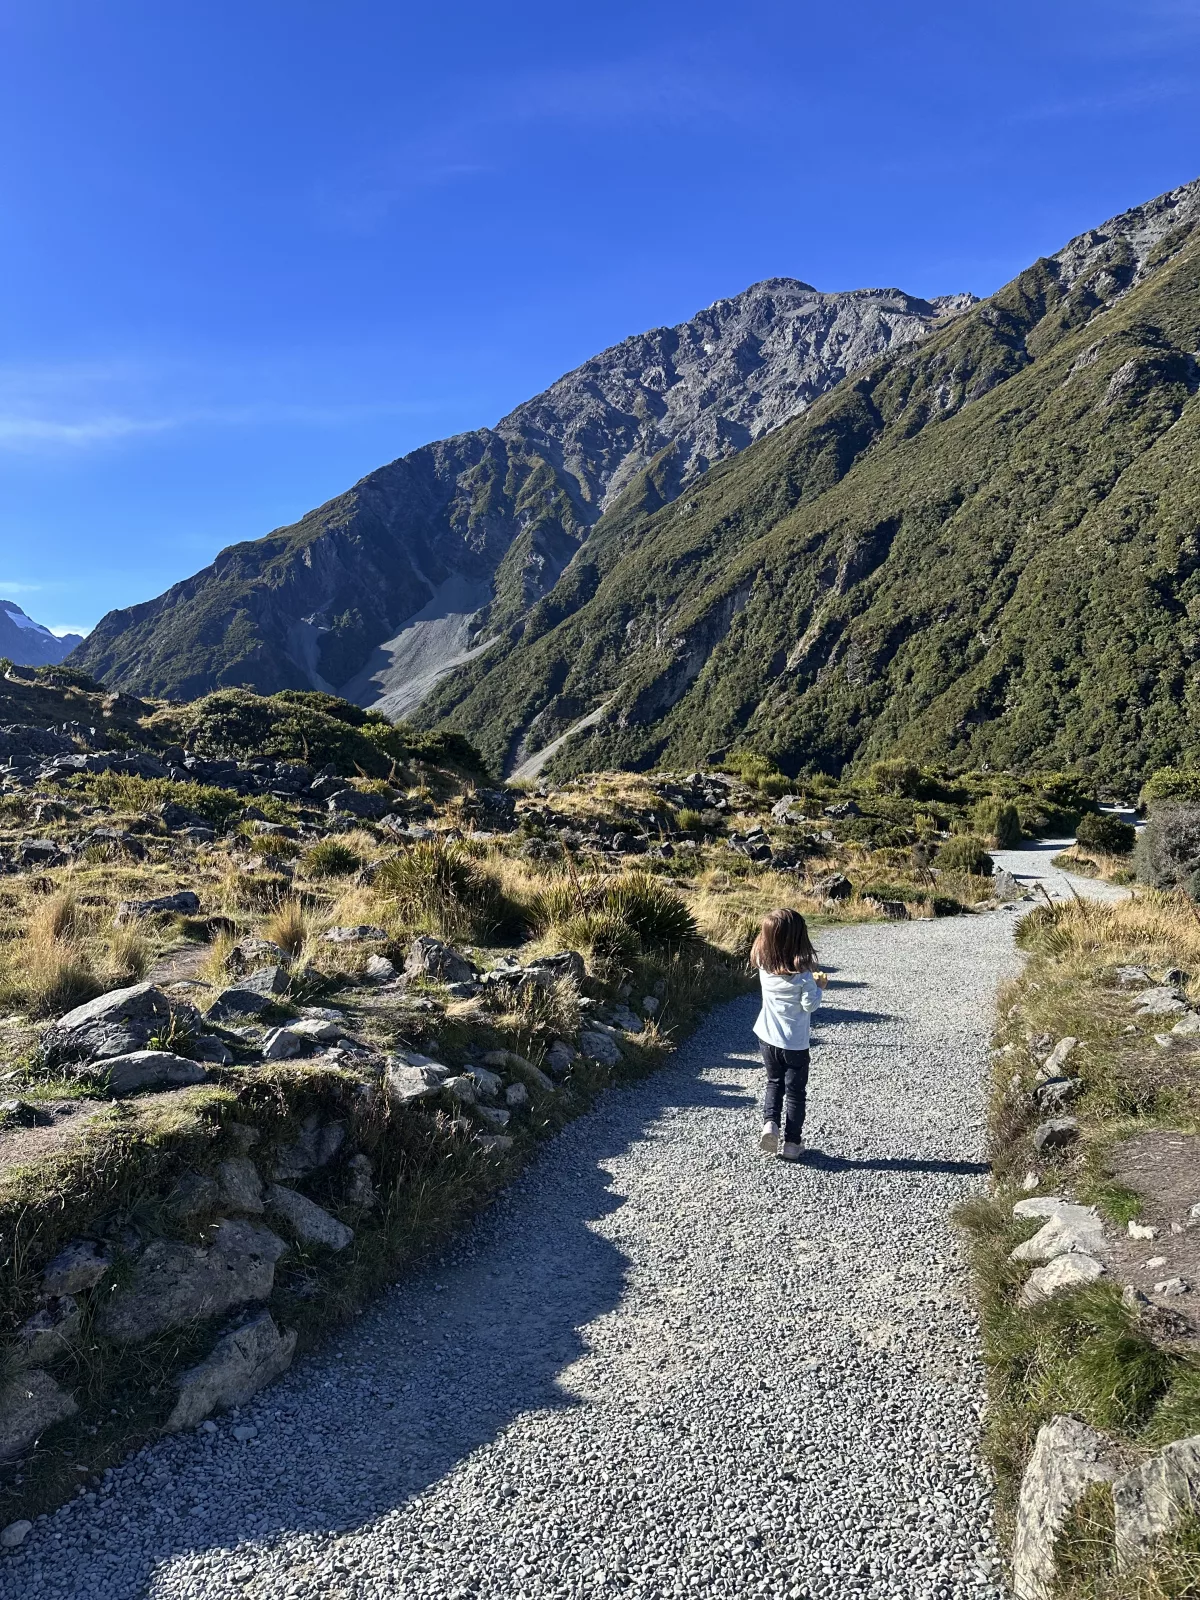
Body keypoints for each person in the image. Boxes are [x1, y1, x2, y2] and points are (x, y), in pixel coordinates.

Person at [749, 907, 827, 1161]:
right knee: (795, 1092)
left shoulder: (762, 963)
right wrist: (819, 987)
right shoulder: (804, 976)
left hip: (766, 1036)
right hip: (794, 1042)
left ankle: (770, 1125)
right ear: (798, 939)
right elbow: (809, 1005)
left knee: (774, 1082)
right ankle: (792, 1143)